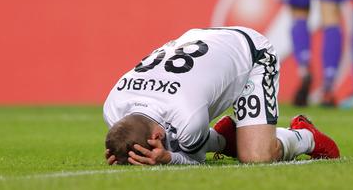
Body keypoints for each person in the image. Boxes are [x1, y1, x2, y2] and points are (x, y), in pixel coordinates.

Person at [103, 27, 339, 165]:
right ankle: (225, 137)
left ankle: (305, 135)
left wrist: (168, 158)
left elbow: (194, 161)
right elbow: (129, 133)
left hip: (252, 53)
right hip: (206, 43)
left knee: (257, 157)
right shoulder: (112, 107)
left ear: (155, 135)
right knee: (177, 138)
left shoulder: (187, 115)